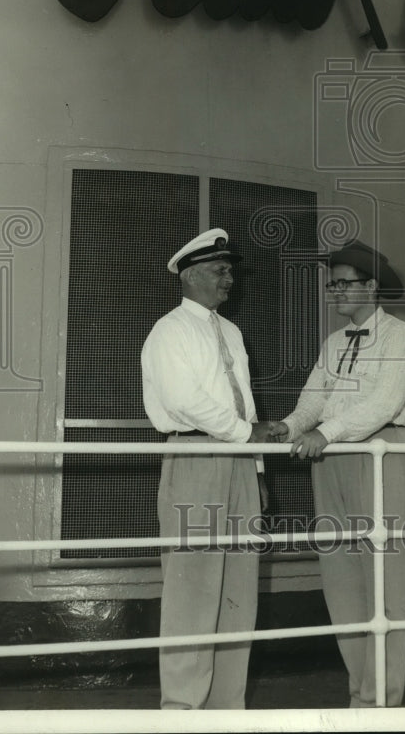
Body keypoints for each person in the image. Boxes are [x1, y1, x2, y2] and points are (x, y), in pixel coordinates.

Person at [271, 240, 405, 708]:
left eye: (344, 284)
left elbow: (383, 404)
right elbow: (313, 399)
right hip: (332, 459)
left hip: (381, 454)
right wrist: (289, 426)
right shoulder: (333, 343)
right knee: (341, 582)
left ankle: (382, 703)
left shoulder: (401, 337)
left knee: (384, 585)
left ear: (371, 287)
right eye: (331, 284)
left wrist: (326, 432)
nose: (334, 292)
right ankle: (361, 694)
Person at [141, 228, 274, 710]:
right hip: (196, 457)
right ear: (192, 274)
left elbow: (248, 406)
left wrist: (256, 471)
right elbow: (186, 402)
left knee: (239, 591)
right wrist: (246, 436)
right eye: (221, 271)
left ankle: (226, 710)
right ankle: (181, 710)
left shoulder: (231, 332)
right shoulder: (170, 329)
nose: (230, 280)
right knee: (193, 589)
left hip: (239, 462)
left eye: (230, 271)